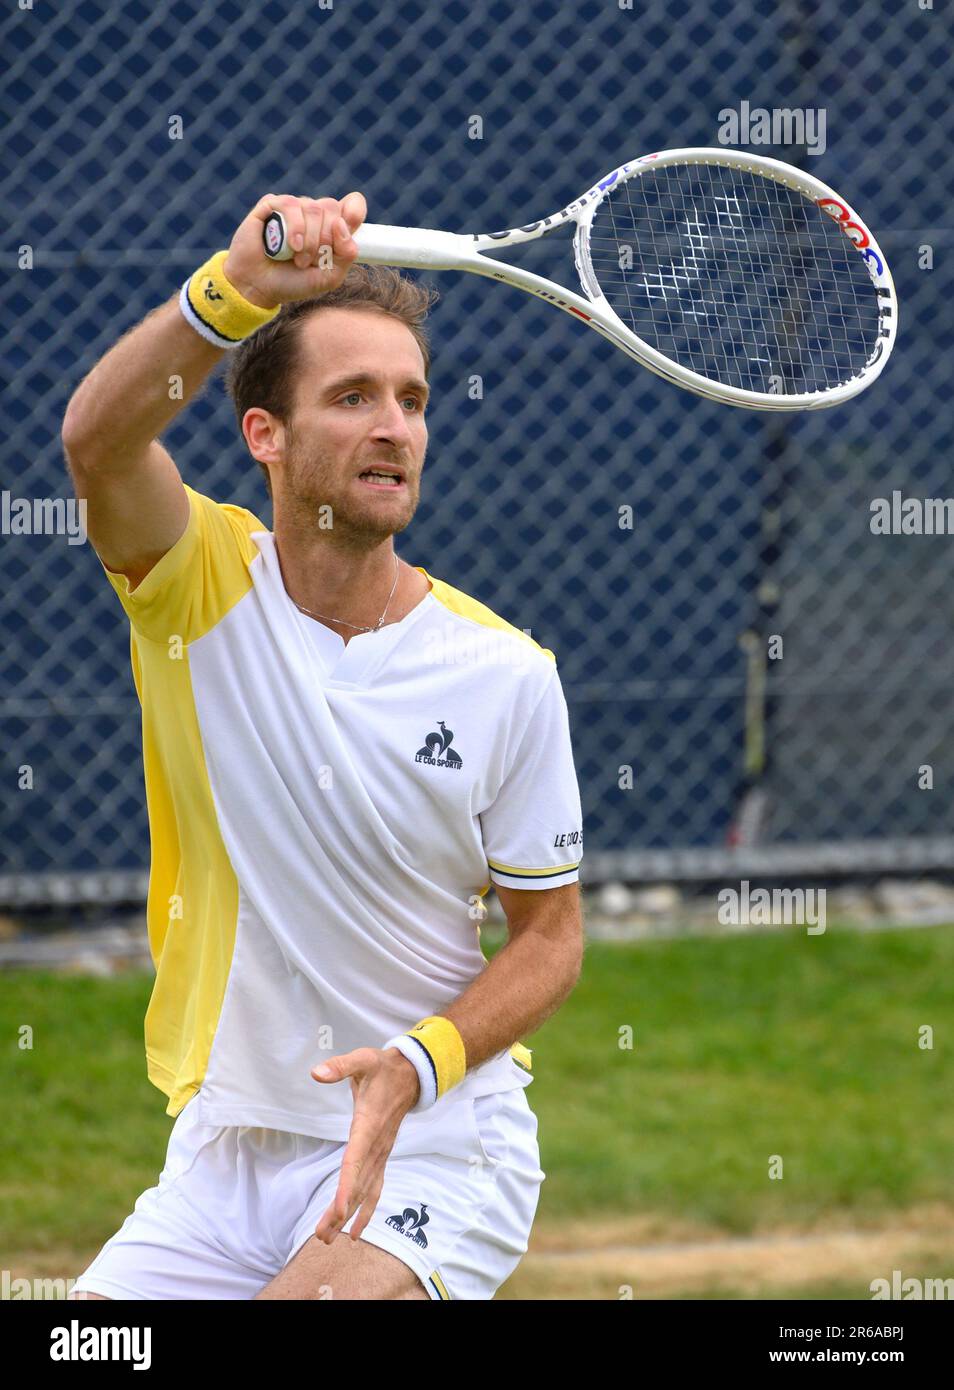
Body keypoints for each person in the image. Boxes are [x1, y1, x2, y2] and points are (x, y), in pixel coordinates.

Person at [61, 192, 584, 1301]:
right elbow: (98, 443)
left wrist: (417, 1062)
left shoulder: (507, 677)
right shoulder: (197, 585)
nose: (395, 425)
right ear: (267, 435)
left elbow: (551, 941)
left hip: (437, 1142)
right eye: (352, 397)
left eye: (412, 399)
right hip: (227, 1147)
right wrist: (232, 289)